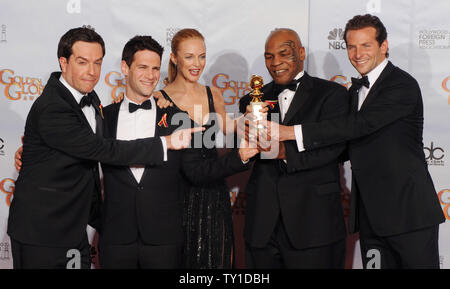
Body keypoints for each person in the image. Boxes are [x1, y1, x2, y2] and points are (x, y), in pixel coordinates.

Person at [7, 27, 200, 269]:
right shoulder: (52, 107)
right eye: (82, 62)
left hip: (75, 229)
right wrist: (165, 142)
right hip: (43, 232)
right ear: (63, 62)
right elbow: (103, 149)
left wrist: (160, 100)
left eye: (97, 63)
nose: (91, 71)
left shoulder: (90, 97)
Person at [271, 15, 445, 268]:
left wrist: (290, 132)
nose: (357, 53)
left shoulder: (402, 85)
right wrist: (281, 152)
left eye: (366, 45)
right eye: (351, 46)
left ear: (383, 46)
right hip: (371, 218)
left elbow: (358, 126)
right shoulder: (353, 93)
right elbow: (340, 144)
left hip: (409, 216)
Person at [98, 35, 256, 269]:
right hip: (119, 237)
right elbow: (84, 163)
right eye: (142, 67)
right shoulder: (107, 115)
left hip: (169, 232)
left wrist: (247, 134)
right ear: (125, 68)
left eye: (154, 69)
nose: (150, 75)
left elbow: (204, 160)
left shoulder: (179, 117)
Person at [238, 28, 348, 268]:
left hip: (314, 223)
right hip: (262, 226)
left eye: (284, 54)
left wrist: (283, 151)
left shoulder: (333, 95)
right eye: (269, 56)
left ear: (300, 53)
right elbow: (248, 149)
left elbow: (334, 149)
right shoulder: (252, 100)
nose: (276, 62)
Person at [155, 28, 247, 269]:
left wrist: (251, 119)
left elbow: (228, 127)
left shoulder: (212, 93)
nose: (197, 64)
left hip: (212, 193)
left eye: (202, 56)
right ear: (174, 58)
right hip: (175, 195)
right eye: (189, 57)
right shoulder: (158, 98)